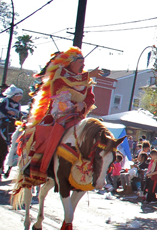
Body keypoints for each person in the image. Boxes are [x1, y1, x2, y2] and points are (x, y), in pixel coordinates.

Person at [13, 47, 102, 194]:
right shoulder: (61, 74)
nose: (83, 66)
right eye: (80, 63)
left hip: (78, 115)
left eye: (84, 63)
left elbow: (90, 98)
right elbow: (63, 85)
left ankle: (86, 172)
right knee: (55, 130)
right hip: (58, 113)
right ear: (71, 63)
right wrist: (87, 76)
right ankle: (37, 165)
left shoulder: (87, 80)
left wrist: (83, 104)